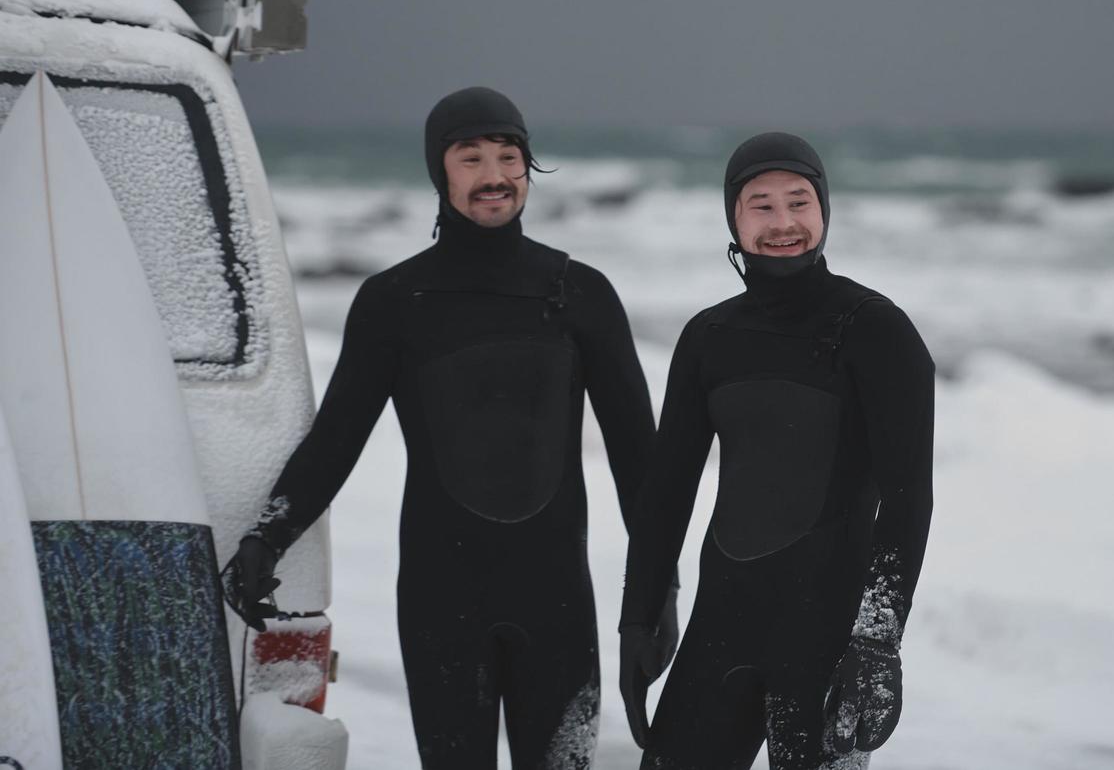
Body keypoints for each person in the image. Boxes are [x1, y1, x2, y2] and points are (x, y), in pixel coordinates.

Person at [222, 86, 678, 769]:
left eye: (509, 156)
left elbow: (639, 462)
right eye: (471, 158)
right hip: (442, 602)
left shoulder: (581, 294)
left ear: (528, 167)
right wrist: (269, 534)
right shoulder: (395, 302)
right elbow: (338, 436)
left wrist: (654, 595)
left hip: (556, 603)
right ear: (441, 172)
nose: (494, 176)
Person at [619, 132, 934, 770]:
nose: (784, 222)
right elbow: (667, 491)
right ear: (733, 218)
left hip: (828, 647)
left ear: (824, 211)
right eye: (760, 205)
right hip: (721, 631)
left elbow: (908, 500)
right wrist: (639, 616)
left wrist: (877, 645)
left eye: (799, 201)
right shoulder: (709, 337)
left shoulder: (876, 329)